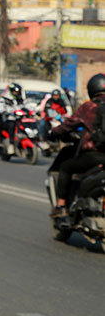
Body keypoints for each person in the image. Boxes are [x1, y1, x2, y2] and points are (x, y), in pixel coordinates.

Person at [47, 74, 105, 218]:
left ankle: (61, 206)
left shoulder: (89, 106)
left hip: (95, 155)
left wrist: (52, 133)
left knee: (66, 167)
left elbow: (68, 125)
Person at [0, 82, 25, 155]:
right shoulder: (4, 99)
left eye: (17, 92)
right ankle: (11, 144)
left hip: (19, 119)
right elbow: (0, 106)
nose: (16, 93)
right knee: (11, 125)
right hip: (8, 119)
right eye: (14, 91)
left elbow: (26, 106)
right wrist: (4, 111)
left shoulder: (20, 99)